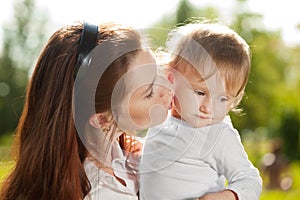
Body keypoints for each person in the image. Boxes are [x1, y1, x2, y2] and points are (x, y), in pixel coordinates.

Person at [0, 22, 173, 200]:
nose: (168, 87)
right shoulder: (102, 193)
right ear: (101, 120)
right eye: (149, 92)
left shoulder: (123, 153)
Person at [139, 22, 262, 200]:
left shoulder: (217, 134)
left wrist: (227, 196)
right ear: (172, 77)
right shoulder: (162, 117)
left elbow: (250, 180)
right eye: (200, 92)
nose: (208, 108)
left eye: (223, 98)